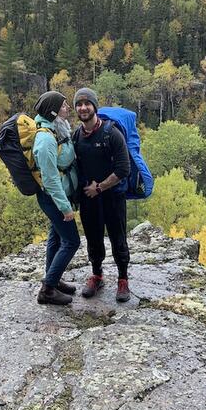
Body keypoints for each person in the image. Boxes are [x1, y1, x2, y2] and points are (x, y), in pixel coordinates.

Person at [72, 87, 132, 302]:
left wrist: (99, 188)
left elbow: (124, 169)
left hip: (113, 197)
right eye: (79, 104)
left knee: (118, 238)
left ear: (94, 106)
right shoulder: (77, 136)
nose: (83, 107)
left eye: (87, 103)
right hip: (89, 200)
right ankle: (97, 275)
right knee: (93, 238)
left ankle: (123, 279)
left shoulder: (111, 133)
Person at [33, 90, 80, 305]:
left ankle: (54, 277)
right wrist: (65, 208)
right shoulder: (45, 139)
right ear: (53, 111)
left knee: (56, 237)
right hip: (53, 198)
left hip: (58, 195)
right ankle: (48, 290)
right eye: (63, 106)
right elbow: (50, 180)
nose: (68, 108)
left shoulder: (54, 130)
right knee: (72, 241)